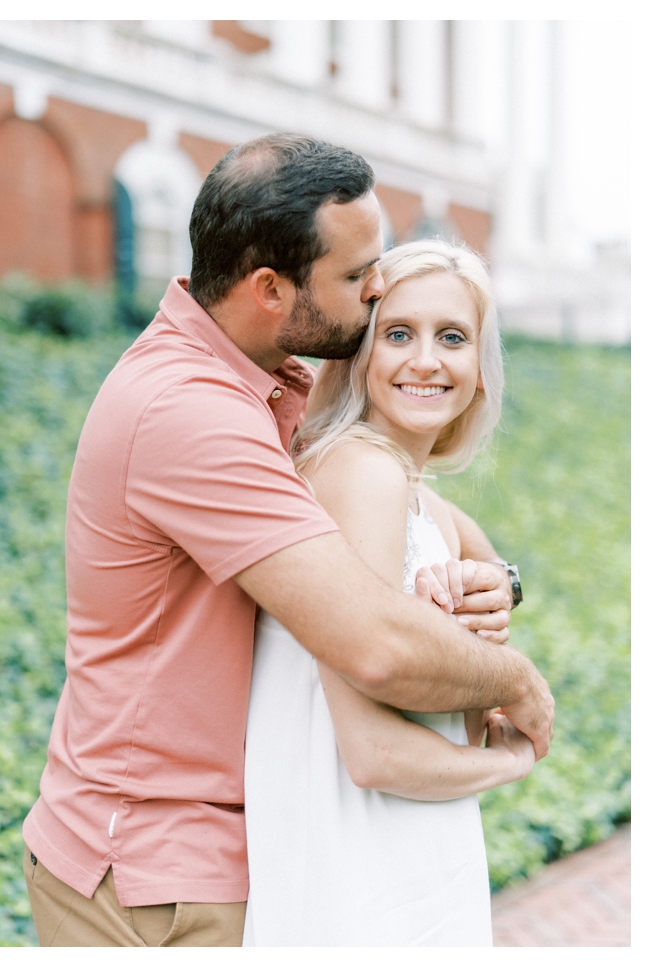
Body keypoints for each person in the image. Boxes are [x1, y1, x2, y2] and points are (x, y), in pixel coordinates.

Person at [20, 133, 553, 947]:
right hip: (152, 874)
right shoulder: (190, 411)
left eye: (452, 337)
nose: (376, 290)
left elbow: (414, 508)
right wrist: (515, 685)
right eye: (355, 277)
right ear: (272, 288)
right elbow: (373, 645)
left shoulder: (268, 384)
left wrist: (494, 577)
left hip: (228, 848)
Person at [242, 238, 534, 945]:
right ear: (361, 353)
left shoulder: (409, 494)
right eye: (398, 333)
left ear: (480, 370)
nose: (427, 359)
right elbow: (372, 753)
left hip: (410, 858)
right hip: (363, 883)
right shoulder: (363, 474)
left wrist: (496, 582)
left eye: (453, 337)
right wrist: (514, 758)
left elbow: (459, 708)